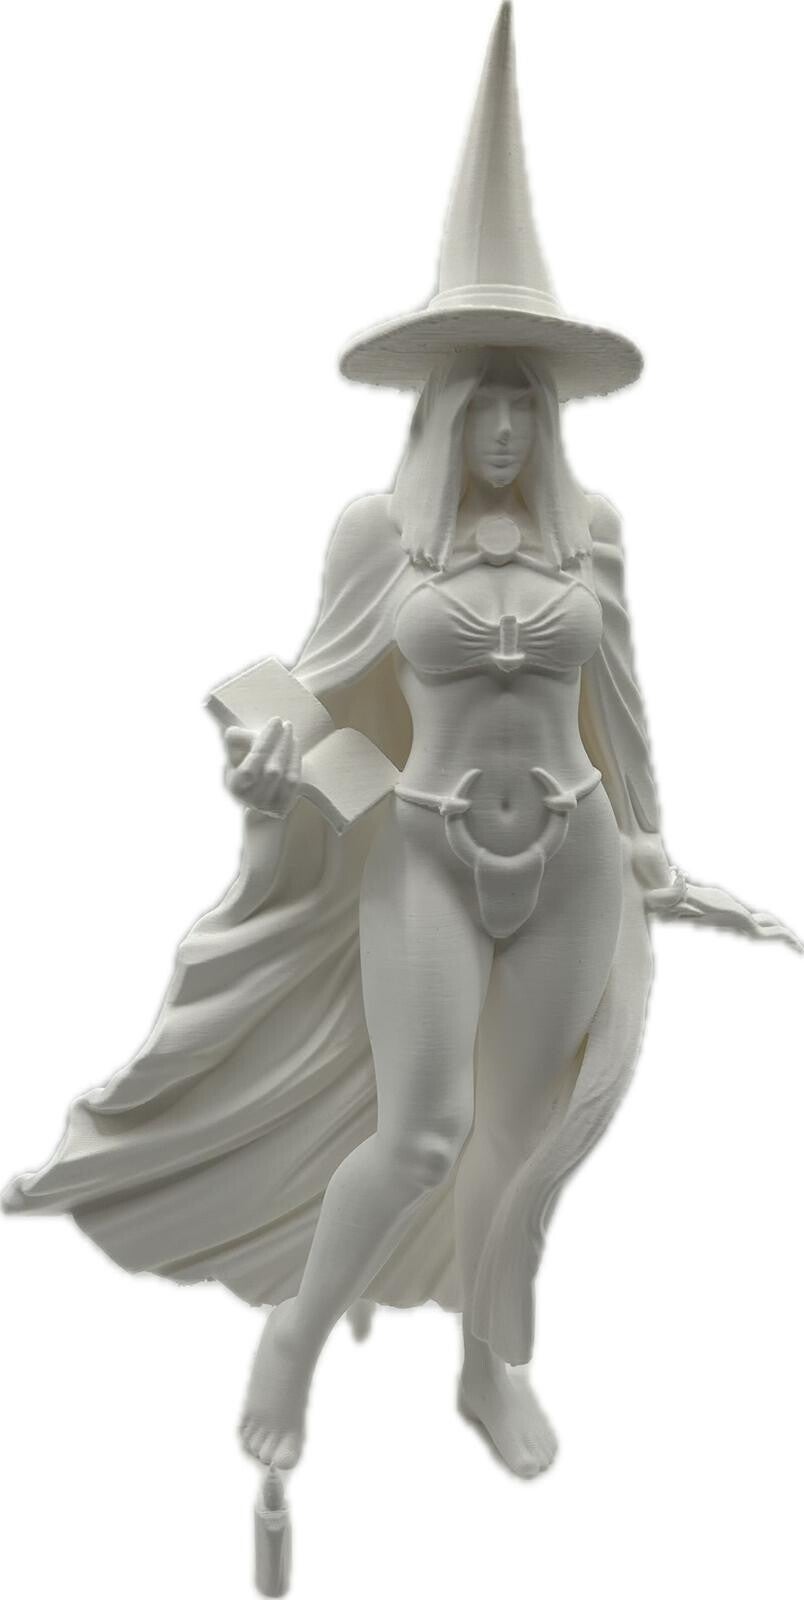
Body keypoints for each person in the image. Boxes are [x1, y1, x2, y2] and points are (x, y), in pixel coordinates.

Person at [3, 3, 798, 1488]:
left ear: (547, 417)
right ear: (441, 409)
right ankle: (297, 1336)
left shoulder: (592, 531)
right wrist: (263, 765)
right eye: (480, 400)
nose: (504, 427)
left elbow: (622, 702)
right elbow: (308, 687)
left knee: (522, 1134)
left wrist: (653, 844)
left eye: (524, 402)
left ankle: (491, 1361)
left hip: (573, 857)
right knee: (423, 1132)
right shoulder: (379, 535)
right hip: (425, 851)